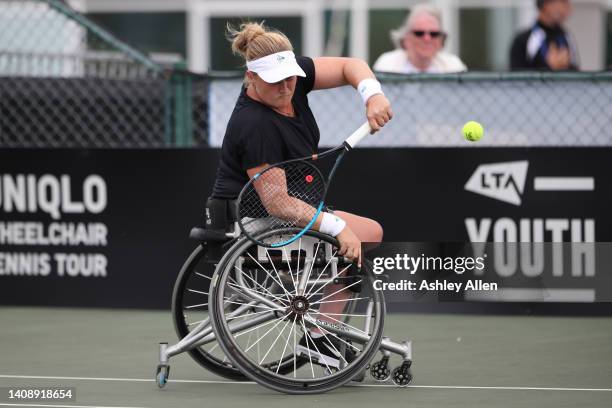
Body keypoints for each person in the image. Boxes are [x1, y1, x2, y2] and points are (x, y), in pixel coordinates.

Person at [210, 22, 392, 369]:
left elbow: (349, 65)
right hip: (256, 221)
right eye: (275, 80)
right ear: (251, 76)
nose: (286, 86)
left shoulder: (293, 78)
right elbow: (276, 203)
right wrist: (337, 227)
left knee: (360, 234)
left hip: (290, 207)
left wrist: (372, 94)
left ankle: (324, 329)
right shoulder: (254, 124)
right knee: (366, 234)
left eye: (290, 77)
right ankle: (321, 337)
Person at [373, 3, 466, 74]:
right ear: (406, 39)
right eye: (419, 33)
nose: (427, 39)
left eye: (434, 34)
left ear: (441, 40)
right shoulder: (387, 65)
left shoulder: (453, 66)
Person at [510, 0, 579, 71]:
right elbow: (517, 77)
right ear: (546, 4)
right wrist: (549, 67)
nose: (569, 8)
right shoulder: (522, 40)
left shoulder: (567, 36)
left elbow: (577, 73)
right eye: (563, 2)